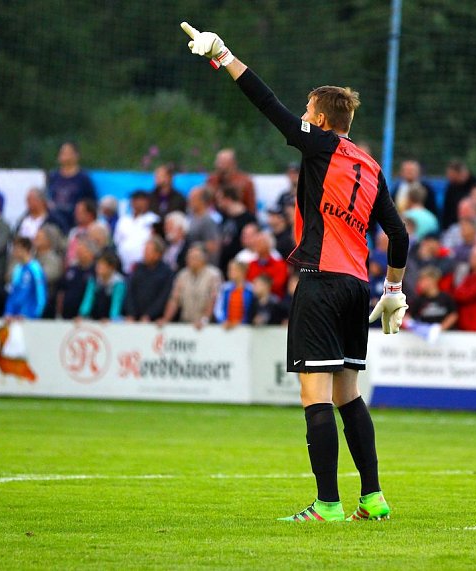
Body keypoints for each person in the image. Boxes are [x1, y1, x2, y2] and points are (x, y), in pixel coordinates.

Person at [183, 22, 409, 522]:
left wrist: (224, 56)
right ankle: (372, 497)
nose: (302, 117)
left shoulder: (321, 144)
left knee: (315, 397)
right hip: (357, 286)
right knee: (349, 394)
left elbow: (269, 106)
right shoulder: (371, 166)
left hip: (323, 283)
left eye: (309, 111)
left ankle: (327, 503)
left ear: (324, 121)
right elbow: (399, 234)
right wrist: (393, 287)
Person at [158, 245, 222, 328]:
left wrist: (204, 320)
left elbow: (213, 299)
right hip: (185, 322)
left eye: (194, 258)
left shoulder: (213, 275)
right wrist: (166, 319)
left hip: (207, 325)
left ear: (203, 259)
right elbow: (174, 300)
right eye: (188, 257)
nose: (189, 260)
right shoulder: (182, 275)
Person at [46, 142, 97, 233]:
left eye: (68, 153)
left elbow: (92, 202)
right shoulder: (53, 176)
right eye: (63, 153)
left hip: (75, 222)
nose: (65, 156)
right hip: (55, 221)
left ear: (76, 155)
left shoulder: (83, 178)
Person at [124, 237, 174, 322]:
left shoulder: (167, 272)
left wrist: (149, 315)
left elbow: (163, 297)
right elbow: (130, 292)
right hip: (134, 318)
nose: (144, 254)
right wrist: (131, 313)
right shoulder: (138, 268)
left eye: (148, 251)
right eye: (144, 250)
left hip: (155, 320)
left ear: (158, 254)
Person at [114, 191, 160, 273]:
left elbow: (157, 243)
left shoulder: (154, 219)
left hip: (145, 267)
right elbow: (117, 240)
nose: (138, 204)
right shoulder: (124, 220)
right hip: (122, 265)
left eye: (141, 201)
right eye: (135, 201)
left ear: (147, 202)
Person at [4, 237, 47, 319]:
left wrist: (34, 315)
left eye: (16, 248)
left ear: (25, 249)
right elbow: (13, 292)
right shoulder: (17, 269)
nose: (14, 252)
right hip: (14, 317)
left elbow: (41, 294)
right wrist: (8, 312)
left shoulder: (35, 269)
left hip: (29, 318)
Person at [56, 238, 98, 320]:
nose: (79, 253)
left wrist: (83, 314)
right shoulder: (72, 269)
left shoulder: (95, 271)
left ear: (91, 253)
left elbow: (91, 294)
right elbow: (61, 289)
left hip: (86, 317)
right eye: (78, 250)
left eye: (82, 250)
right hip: (66, 315)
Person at [78, 251, 126, 321]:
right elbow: (88, 299)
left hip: (113, 319)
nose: (98, 268)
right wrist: (82, 315)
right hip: (96, 318)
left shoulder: (119, 283)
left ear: (111, 268)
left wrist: (111, 319)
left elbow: (116, 304)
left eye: (102, 265)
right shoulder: (93, 280)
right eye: (98, 265)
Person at [407, 266, 458, 330]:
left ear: (432, 280)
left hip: (445, 335)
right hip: (424, 336)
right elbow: (408, 317)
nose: (419, 283)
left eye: (422, 280)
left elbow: (453, 315)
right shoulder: (418, 300)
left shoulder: (446, 298)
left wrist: (439, 329)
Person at [208, 148, 256, 214]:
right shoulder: (212, 180)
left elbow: (251, 209)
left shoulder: (245, 182)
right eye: (217, 161)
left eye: (221, 162)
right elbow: (207, 203)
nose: (217, 164)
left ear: (232, 164)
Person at [246, 232, 288, 298]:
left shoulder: (280, 265)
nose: (256, 245)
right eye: (256, 242)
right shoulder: (251, 265)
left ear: (268, 245)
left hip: (274, 302)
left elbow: (278, 285)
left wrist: (261, 286)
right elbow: (248, 284)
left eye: (260, 242)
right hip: (254, 300)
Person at [214, 259, 254, 327]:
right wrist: (223, 321)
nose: (229, 272)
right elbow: (218, 308)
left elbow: (252, 310)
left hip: (245, 328)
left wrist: (243, 323)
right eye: (229, 269)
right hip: (227, 327)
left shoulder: (251, 290)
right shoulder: (225, 289)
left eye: (233, 269)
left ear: (242, 271)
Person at [442, 159, 476, 230]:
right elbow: (447, 212)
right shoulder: (451, 187)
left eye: (451, 175)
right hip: (453, 227)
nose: (449, 178)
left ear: (460, 173)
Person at [65, 198, 98, 267]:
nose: (76, 215)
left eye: (80, 212)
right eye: (76, 212)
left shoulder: (97, 229)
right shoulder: (73, 231)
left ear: (90, 214)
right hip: (73, 268)